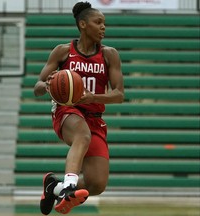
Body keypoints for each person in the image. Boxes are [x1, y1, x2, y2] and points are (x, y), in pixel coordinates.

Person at [34, 1, 124, 215]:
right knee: (82, 135)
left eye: (104, 23)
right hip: (67, 111)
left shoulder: (109, 55)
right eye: (98, 22)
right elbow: (37, 86)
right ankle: (69, 186)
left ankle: (54, 187)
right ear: (83, 24)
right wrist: (47, 85)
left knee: (97, 184)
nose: (103, 27)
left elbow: (119, 95)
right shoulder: (63, 51)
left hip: (94, 116)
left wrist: (94, 97)